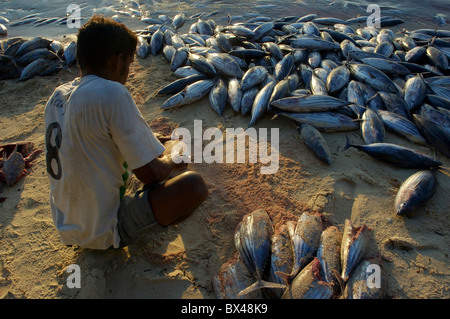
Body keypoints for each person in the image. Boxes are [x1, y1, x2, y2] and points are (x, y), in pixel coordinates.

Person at [44, 15, 208, 250]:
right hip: (103, 230)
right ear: (118, 60)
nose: (128, 72)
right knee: (194, 185)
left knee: (161, 148)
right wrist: (172, 161)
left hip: (68, 225)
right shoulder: (113, 92)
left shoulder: (57, 96)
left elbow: (89, 142)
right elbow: (151, 174)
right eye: (130, 63)